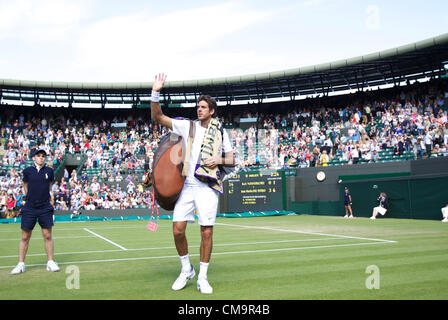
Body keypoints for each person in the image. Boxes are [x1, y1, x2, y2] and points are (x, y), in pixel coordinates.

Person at [150, 73, 234, 294]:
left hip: (207, 186)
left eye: (204, 107)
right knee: (178, 229)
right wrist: (156, 92)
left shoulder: (221, 131)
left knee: (206, 232)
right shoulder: (188, 127)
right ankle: (187, 269)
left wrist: (219, 159)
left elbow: (232, 159)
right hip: (187, 185)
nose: (199, 109)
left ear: (212, 111)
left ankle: (203, 277)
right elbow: (158, 117)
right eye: (198, 106)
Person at [10, 148, 60, 274]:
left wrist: (49, 199)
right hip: (30, 207)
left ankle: (50, 262)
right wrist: (30, 199)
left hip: (45, 207)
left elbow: (49, 186)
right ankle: (21, 264)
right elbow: (26, 186)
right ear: (33, 158)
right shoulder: (27, 171)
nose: (41, 158)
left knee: (47, 235)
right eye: (38, 156)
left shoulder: (50, 171)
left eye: (43, 156)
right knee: (25, 236)